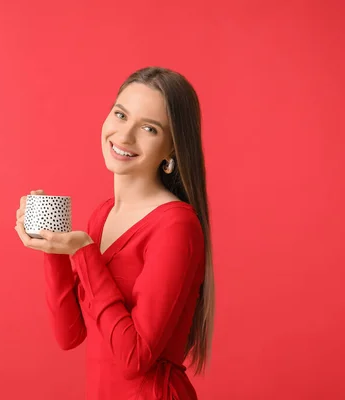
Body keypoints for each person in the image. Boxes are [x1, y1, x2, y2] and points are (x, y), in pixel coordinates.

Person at [14, 66, 215, 399]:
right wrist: (53, 249)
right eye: (120, 115)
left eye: (149, 128)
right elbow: (69, 335)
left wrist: (83, 251)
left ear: (172, 150)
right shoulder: (103, 215)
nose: (124, 136)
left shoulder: (176, 226)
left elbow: (134, 358)